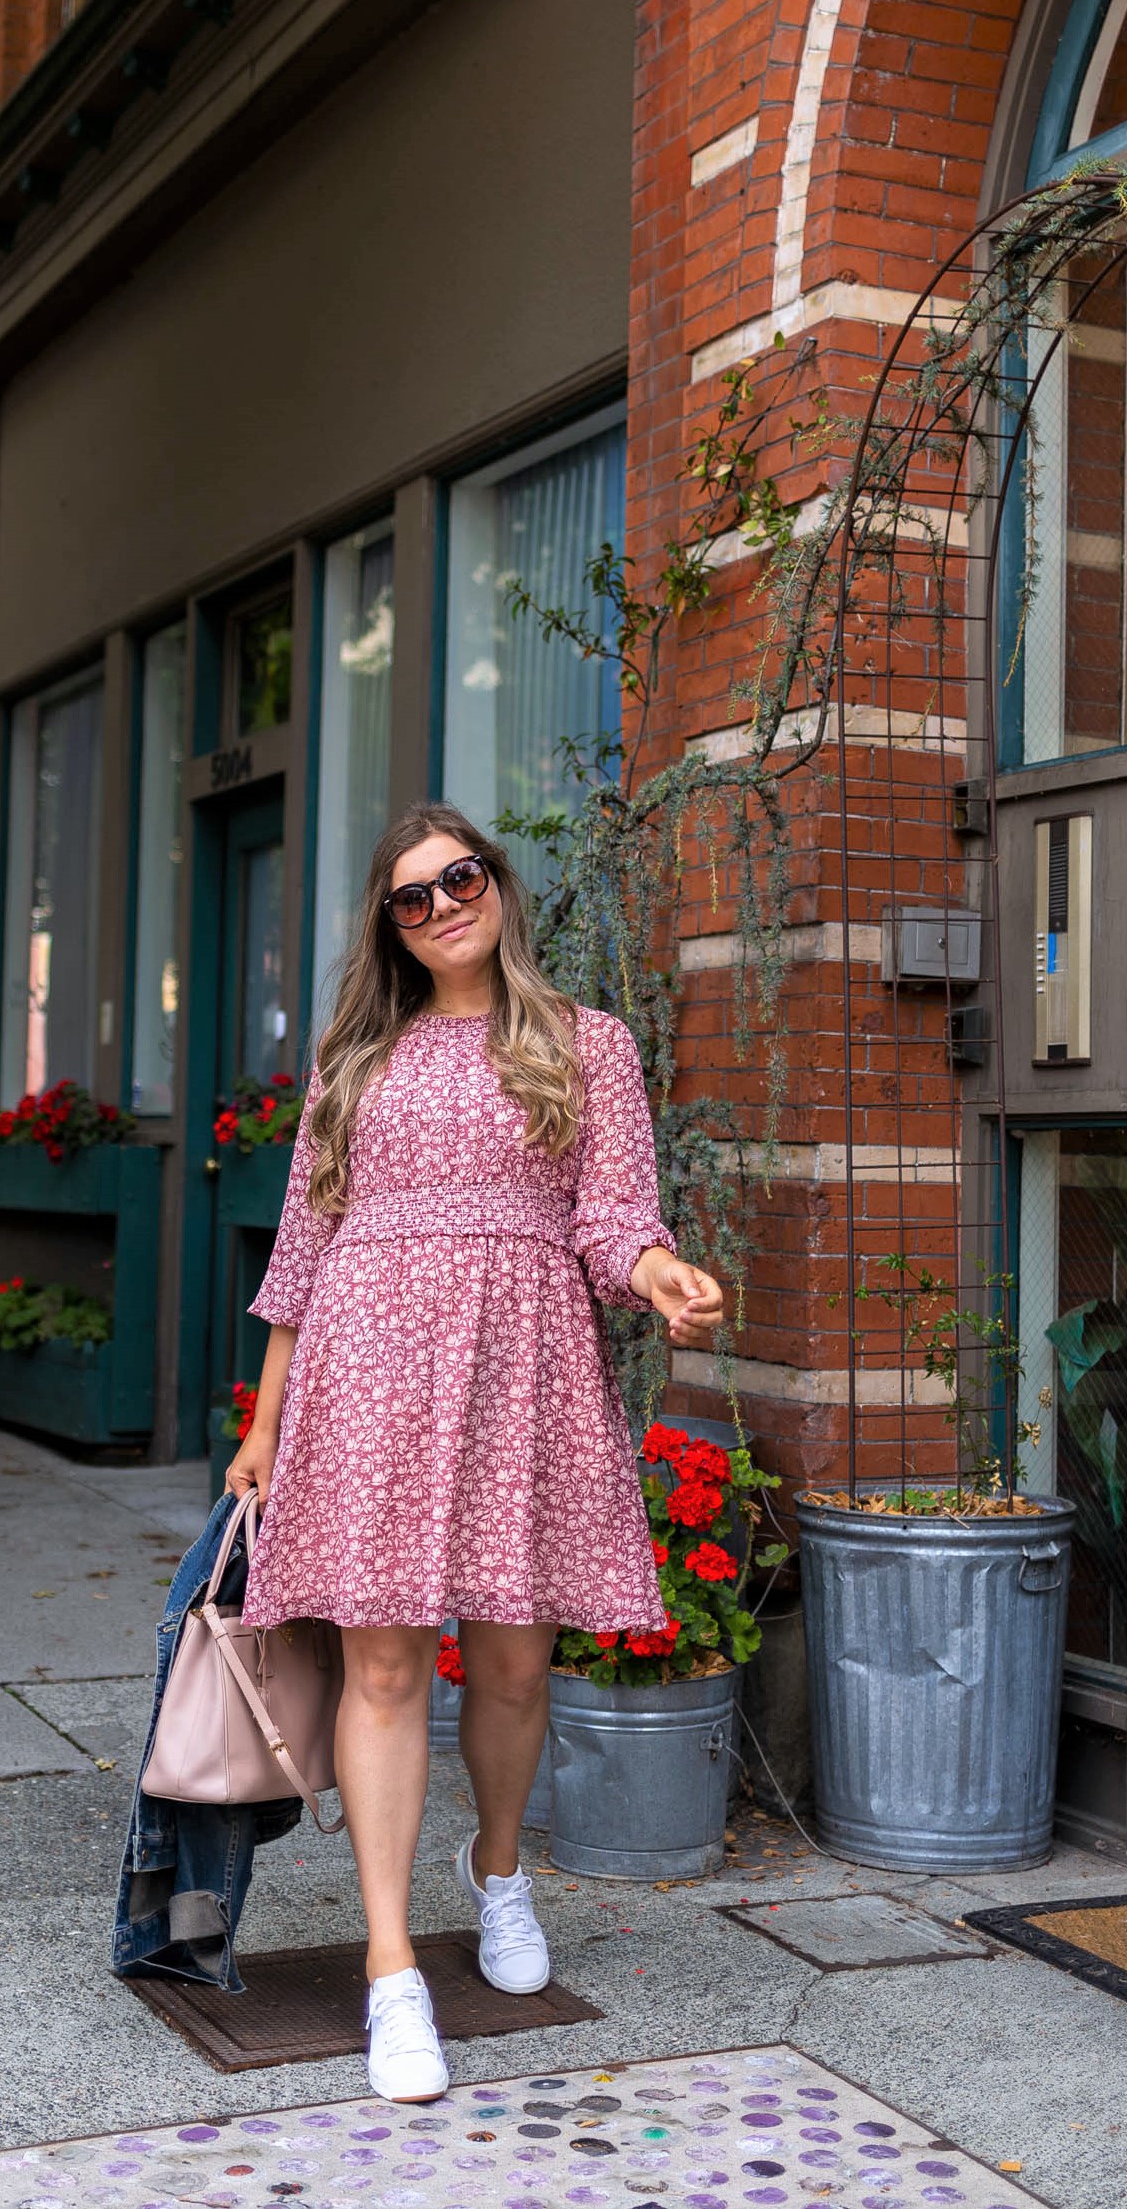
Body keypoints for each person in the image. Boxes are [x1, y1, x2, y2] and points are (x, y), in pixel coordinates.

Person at [226, 801, 723, 2103]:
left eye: (461, 878)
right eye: (412, 896)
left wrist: (662, 1272)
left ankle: (496, 1872)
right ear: (388, 928)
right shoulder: (354, 1061)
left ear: (497, 884)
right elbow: (302, 1251)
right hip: (366, 1380)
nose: (443, 905)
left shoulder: (585, 1044)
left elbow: (613, 1219)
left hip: (522, 1372)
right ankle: (394, 1970)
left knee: (509, 1667)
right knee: (382, 1672)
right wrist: (264, 1428)